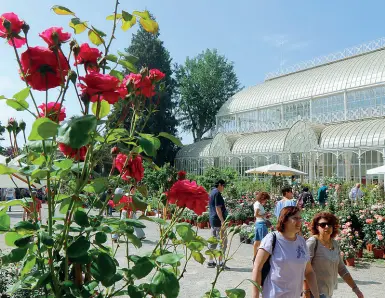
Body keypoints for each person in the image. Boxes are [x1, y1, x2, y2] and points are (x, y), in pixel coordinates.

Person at [251, 206, 319, 298]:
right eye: (295, 218)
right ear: (284, 220)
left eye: (300, 218)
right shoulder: (272, 239)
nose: (299, 221)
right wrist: (255, 295)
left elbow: (309, 272)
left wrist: (316, 295)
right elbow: (257, 268)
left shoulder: (301, 242)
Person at [303, 212, 364, 298]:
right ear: (317, 226)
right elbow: (304, 270)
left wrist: (355, 289)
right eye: (323, 224)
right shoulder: (312, 243)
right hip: (314, 293)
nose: (327, 227)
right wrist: (306, 293)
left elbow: (342, 269)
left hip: (328, 293)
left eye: (330, 224)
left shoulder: (334, 244)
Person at [207, 179, 229, 270]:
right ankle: (220, 263)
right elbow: (218, 209)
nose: (224, 188)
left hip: (213, 220)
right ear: (219, 184)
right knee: (222, 242)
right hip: (218, 221)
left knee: (213, 241)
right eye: (223, 186)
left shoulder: (212, 192)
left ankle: (211, 262)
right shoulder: (217, 194)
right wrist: (223, 221)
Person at [253, 191, 270, 260]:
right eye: (265, 199)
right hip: (261, 224)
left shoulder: (257, 204)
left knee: (257, 241)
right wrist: (264, 215)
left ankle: (255, 257)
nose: (266, 201)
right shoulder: (258, 204)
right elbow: (256, 214)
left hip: (258, 223)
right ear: (262, 198)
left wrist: (265, 214)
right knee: (263, 242)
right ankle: (260, 258)